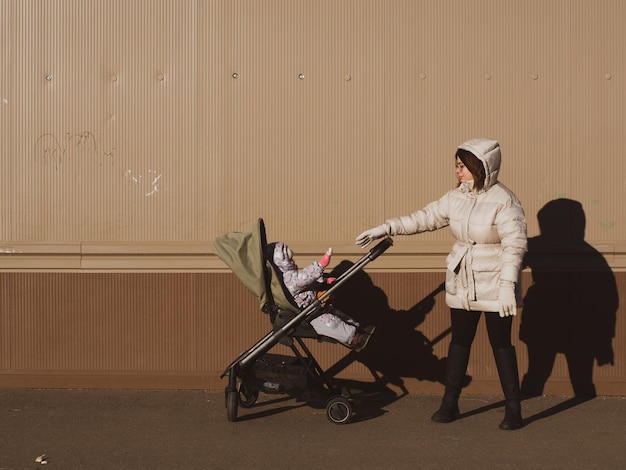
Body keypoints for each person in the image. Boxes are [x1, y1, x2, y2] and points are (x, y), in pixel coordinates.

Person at [355, 138, 527, 430]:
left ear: (481, 166)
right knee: (460, 342)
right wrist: (387, 227)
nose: (457, 171)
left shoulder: (505, 201)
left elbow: (515, 245)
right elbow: (424, 218)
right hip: (462, 280)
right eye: (457, 165)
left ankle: (513, 408)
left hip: (495, 282)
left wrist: (508, 284)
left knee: (501, 343)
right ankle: (450, 403)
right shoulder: (455, 197)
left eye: (462, 166)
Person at [271, 242, 375, 351]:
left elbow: (306, 286)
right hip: (309, 312)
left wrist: (323, 281)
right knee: (332, 323)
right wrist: (320, 265)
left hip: (315, 304)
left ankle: (357, 328)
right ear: (282, 262)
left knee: (339, 315)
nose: (293, 261)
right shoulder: (289, 279)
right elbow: (305, 279)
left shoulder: (290, 276)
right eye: (290, 260)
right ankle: (354, 339)